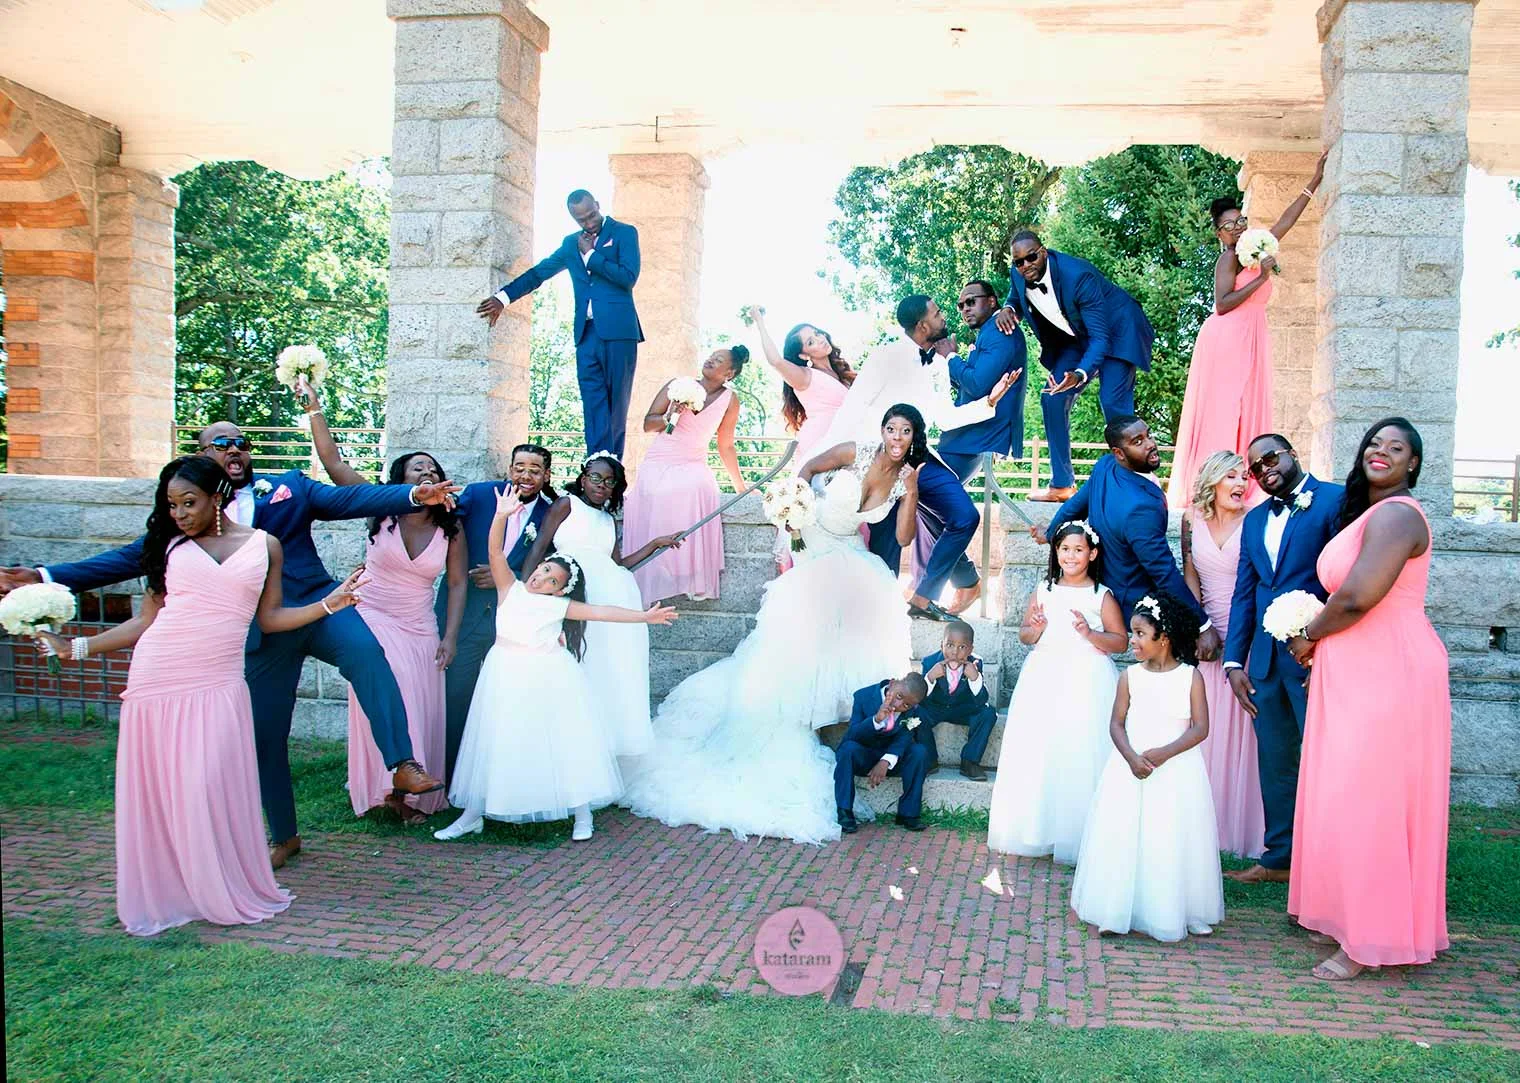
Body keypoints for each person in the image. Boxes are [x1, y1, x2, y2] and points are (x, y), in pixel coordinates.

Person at [0, 422, 460, 869]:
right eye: (221, 443)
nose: (233, 449)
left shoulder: (288, 487)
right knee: (266, 737)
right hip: (266, 631)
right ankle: (285, 836)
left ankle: (402, 763)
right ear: (204, 456)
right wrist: (44, 575)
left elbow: (350, 498)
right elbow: (125, 560)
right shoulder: (186, 521)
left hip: (320, 607)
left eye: (241, 442)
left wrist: (411, 495)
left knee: (368, 653)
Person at [37, 457, 363, 935]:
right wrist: (76, 648)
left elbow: (270, 619)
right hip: (160, 674)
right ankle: (177, 891)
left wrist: (327, 605)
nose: (180, 514)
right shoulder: (168, 547)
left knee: (208, 782)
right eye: (172, 505)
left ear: (218, 496)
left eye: (189, 502)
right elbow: (146, 621)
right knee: (168, 788)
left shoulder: (266, 546)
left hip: (220, 681)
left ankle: (215, 884)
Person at [619, 405, 924, 844]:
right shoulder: (854, 452)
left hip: (845, 548)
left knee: (870, 599)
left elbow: (903, 539)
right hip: (811, 539)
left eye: (905, 431)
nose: (896, 436)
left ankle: (833, 710)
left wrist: (911, 492)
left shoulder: (904, 479)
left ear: (913, 437)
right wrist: (793, 513)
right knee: (806, 614)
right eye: (891, 428)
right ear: (882, 431)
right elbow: (808, 469)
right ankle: (794, 708)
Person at [1285, 418, 1450, 981]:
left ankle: (1369, 939)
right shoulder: (1370, 513)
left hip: (1389, 666)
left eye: (1396, 447)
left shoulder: (1399, 516)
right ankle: (1349, 914)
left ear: (1413, 464)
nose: (1381, 451)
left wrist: (1309, 636)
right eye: (1374, 443)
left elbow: (1358, 596)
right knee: (1344, 793)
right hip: (1356, 664)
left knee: (1372, 798)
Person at [436, 487, 678, 844]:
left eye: (553, 581)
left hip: (548, 677)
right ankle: (472, 814)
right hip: (504, 674)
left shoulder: (557, 606)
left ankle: (582, 813)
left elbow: (601, 612)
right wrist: (501, 516)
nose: (542, 579)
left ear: (560, 591)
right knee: (497, 737)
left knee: (563, 740)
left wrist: (643, 616)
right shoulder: (510, 589)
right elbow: (495, 552)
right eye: (545, 570)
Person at [303, 387, 463, 823]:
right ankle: (388, 790)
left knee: (419, 704)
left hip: (419, 623)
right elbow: (335, 465)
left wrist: (449, 636)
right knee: (392, 692)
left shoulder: (451, 526)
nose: (427, 471)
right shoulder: (382, 510)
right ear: (401, 480)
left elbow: (456, 583)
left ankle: (412, 791)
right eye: (417, 468)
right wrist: (314, 408)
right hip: (372, 615)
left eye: (432, 468)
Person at [827, 295, 1016, 620]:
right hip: (881, 460)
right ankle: (878, 615)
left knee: (964, 516)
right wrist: (831, 462)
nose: (944, 316)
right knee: (886, 545)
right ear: (922, 325)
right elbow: (853, 408)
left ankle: (924, 597)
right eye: (937, 313)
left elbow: (945, 417)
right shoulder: (885, 356)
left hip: (920, 457)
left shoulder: (937, 363)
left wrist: (989, 402)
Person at [1168, 152, 1327, 510]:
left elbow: (1286, 221)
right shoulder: (1228, 258)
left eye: (1241, 220)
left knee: (1247, 408)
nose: (1237, 228)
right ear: (1219, 232)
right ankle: (1212, 484)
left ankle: (1240, 483)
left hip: (1252, 335)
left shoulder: (1256, 246)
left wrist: (1315, 180)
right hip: (1226, 338)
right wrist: (1263, 277)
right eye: (1229, 225)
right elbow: (1223, 303)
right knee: (1224, 410)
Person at [1221, 433, 1344, 884]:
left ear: (1292, 454)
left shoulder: (1334, 500)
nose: (1263, 469)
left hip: (1316, 658)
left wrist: (1327, 646)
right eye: (1255, 467)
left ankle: (1333, 863)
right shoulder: (1255, 519)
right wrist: (1234, 662)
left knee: (1331, 762)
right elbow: (1245, 592)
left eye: (1270, 458)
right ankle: (1280, 859)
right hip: (1265, 665)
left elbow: (1345, 581)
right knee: (1275, 762)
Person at [1070, 594, 1223, 942]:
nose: (1133, 641)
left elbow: (1201, 728)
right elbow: (1116, 724)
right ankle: (1116, 907)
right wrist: (1131, 757)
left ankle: (1187, 908)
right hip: (1131, 766)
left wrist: (1164, 754)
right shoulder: (1130, 677)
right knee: (1127, 833)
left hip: (1177, 768)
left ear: (1163, 637)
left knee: (1175, 835)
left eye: (1140, 634)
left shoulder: (1190, 677)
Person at [520, 451, 678, 759]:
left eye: (609, 481)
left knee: (605, 669)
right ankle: (562, 744)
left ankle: (599, 747)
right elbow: (539, 547)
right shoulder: (566, 505)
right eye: (595, 477)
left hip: (611, 600)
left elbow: (618, 564)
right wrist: (523, 592)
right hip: (575, 598)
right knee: (571, 664)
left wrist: (654, 544)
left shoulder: (608, 520)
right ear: (583, 479)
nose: (602, 485)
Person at [987, 521, 1126, 863]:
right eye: (1065, 549)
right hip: (1044, 676)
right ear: (1056, 552)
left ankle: (1078, 834)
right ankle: (1038, 829)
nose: (1071, 556)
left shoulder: (1101, 596)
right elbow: (1024, 635)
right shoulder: (1044, 590)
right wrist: (1035, 629)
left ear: (1092, 554)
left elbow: (1120, 641)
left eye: (1079, 550)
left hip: (1086, 678)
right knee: (1042, 750)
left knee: (1079, 750)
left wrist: (1090, 633)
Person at [1038, 416, 1222, 660]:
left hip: (1103, 592)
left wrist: (1050, 532)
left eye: (1148, 435)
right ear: (1119, 453)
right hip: (1136, 608)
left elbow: (1075, 506)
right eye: (1138, 441)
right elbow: (1162, 571)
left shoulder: (1105, 466)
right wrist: (1202, 625)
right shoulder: (1141, 508)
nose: (1150, 444)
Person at [476, 190, 642, 456]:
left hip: (620, 333)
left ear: (598, 206)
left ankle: (611, 470)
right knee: (592, 406)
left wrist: (591, 256)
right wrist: (503, 298)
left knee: (615, 407)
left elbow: (628, 277)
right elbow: (539, 273)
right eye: (581, 220)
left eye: (592, 215)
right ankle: (595, 466)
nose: (589, 223)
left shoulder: (624, 233)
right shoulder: (570, 244)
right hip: (585, 334)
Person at [993, 230, 1155, 502]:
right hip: (1076, 336)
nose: (1026, 265)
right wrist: (1007, 309)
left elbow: (1101, 338)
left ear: (1043, 252)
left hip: (1117, 331)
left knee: (1113, 404)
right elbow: (1015, 297)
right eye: (1018, 262)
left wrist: (1080, 374)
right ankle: (1062, 485)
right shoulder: (1018, 274)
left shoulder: (1079, 276)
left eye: (1031, 257)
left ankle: (1135, 483)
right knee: (1052, 398)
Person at [437, 444, 558, 784]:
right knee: (455, 695)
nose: (526, 475)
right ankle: (449, 778)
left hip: (511, 624)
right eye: (520, 467)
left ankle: (494, 779)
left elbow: (554, 566)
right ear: (509, 469)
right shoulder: (479, 495)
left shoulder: (551, 514)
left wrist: (510, 577)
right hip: (464, 616)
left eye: (535, 470)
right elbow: (443, 527)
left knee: (503, 703)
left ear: (546, 475)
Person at [914, 280, 1027, 614]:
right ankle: (963, 580)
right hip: (967, 433)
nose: (964, 309)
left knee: (927, 493)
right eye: (960, 304)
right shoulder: (990, 331)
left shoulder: (1000, 331)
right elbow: (968, 382)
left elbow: (977, 384)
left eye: (971, 301)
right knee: (928, 502)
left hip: (976, 434)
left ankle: (961, 582)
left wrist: (951, 356)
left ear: (991, 301)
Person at [1180, 450, 1265, 859]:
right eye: (1231, 476)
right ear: (1212, 481)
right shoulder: (1190, 520)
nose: (1241, 483)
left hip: (1245, 636)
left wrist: (1239, 639)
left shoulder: (1255, 521)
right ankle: (1198, 825)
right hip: (1205, 637)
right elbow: (1190, 575)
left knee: (1243, 729)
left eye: (1244, 476)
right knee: (1204, 724)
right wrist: (1199, 627)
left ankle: (1240, 830)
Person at [622, 346, 747, 605]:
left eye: (718, 360)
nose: (710, 360)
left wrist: (740, 486)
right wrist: (671, 415)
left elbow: (725, 445)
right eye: (711, 356)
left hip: (693, 462)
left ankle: (689, 575)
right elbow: (648, 424)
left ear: (729, 373)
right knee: (661, 490)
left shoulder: (730, 400)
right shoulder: (678, 385)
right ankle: (656, 570)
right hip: (660, 458)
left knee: (701, 486)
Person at [749, 307, 856, 574]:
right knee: (818, 509)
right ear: (803, 355)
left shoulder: (842, 374)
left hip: (844, 445)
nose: (819, 339)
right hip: (820, 443)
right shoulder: (804, 376)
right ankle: (811, 573)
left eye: (817, 334)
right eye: (810, 341)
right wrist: (760, 322)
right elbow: (775, 360)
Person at [834, 674, 932, 834]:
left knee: (919, 751)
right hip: (865, 755)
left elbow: (904, 738)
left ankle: (908, 814)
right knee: (847, 749)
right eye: (899, 696)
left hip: (892, 760)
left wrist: (886, 761)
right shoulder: (863, 696)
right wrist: (876, 720)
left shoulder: (914, 711)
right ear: (893, 683)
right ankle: (844, 812)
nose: (898, 705)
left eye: (906, 705)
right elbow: (852, 735)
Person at [916, 620, 999, 780]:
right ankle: (930, 759)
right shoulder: (929, 662)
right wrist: (931, 677)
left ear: (970, 649)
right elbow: (920, 697)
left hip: (963, 709)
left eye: (962, 647)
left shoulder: (975, 663)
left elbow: (982, 700)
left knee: (988, 713)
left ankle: (969, 762)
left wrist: (974, 678)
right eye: (950, 645)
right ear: (942, 645)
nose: (955, 652)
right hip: (936, 708)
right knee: (917, 712)